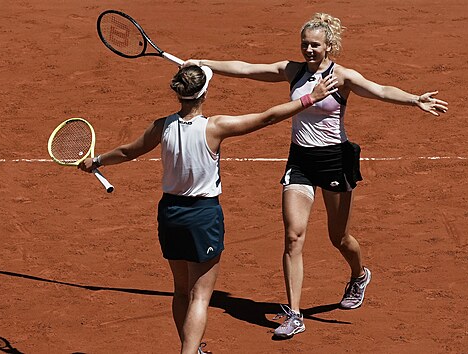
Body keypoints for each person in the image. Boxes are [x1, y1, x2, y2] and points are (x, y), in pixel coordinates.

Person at [184, 12, 448, 338]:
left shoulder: (342, 78)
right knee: (294, 236)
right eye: (305, 44)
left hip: (335, 161)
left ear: (328, 46)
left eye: (315, 45)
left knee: (339, 238)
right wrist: (202, 63)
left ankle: (359, 274)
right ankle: (294, 314)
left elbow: (379, 90)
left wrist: (414, 99)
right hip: (301, 162)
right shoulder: (292, 71)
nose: (308, 50)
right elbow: (247, 68)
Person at [78, 65, 338, 353]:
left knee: (180, 291)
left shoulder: (161, 126)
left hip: (170, 215)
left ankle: (191, 349)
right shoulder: (215, 127)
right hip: (203, 217)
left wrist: (97, 161)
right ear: (204, 94)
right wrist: (309, 99)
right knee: (200, 296)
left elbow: (127, 151)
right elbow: (268, 117)